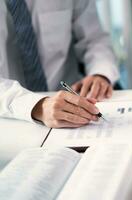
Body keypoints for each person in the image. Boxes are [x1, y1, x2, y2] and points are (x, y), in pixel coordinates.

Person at [0, 0, 119, 128]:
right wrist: (37, 106)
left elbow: (94, 39)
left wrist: (100, 73)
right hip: (9, 117)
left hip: (71, 106)